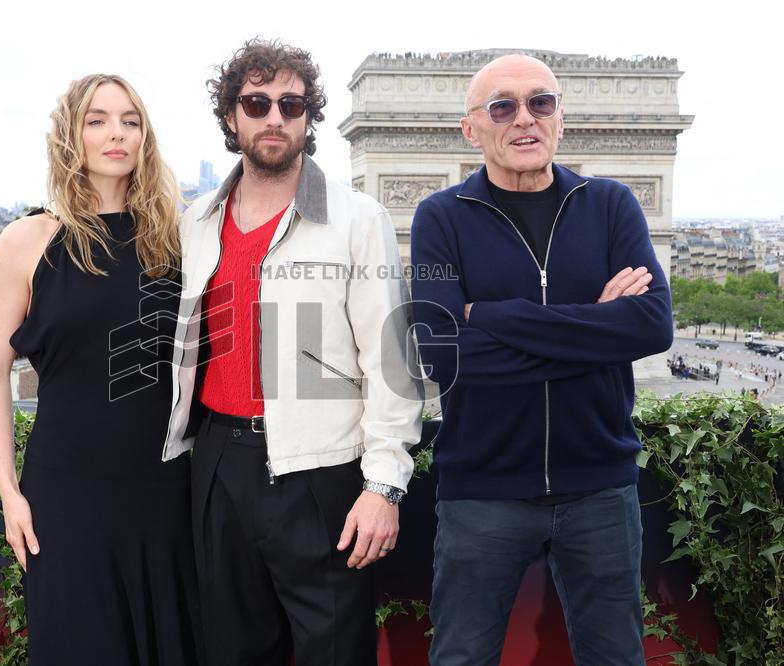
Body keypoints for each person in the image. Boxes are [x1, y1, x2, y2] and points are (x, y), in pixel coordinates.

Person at [162, 39, 423, 666]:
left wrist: (384, 487)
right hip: (218, 462)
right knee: (230, 652)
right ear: (232, 117)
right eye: (256, 102)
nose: (274, 116)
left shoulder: (359, 219)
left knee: (334, 652)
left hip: (323, 474)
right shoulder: (193, 223)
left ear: (310, 117)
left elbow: (391, 364)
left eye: (291, 103)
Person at [411, 54, 673, 665]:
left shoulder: (611, 204)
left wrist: (491, 316)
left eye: (541, 102)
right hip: (481, 489)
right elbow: (440, 353)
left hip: (600, 487)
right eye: (502, 106)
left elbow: (652, 325)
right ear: (471, 129)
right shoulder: (440, 217)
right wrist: (598, 332)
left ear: (562, 119)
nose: (524, 119)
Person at [0, 74, 202, 664]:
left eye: (130, 120)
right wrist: (9, 493)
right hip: (64, 496)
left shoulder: (176, 239)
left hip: (165, 494)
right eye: (98, 119)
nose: (116, 133)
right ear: (70, 134)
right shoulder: (27, 241)